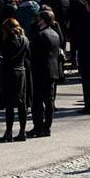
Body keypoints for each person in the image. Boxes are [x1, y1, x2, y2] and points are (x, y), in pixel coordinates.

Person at [0, 18, 30, 141]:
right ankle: (22, 131)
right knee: (22, 103)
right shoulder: (25, 40)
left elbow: (7, 59)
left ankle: (8, 132)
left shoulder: (9, 41)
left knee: (9, 105)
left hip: (9, 73)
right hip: (21, 72)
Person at [29, 10, 62, 138]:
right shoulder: (55, 34)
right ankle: (47, 127)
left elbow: (33, 53)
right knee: (49, 100)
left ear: (42, 20)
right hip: (52, 70)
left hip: (40, 70)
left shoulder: (40, 35)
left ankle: (38, 126)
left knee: (37, 100)